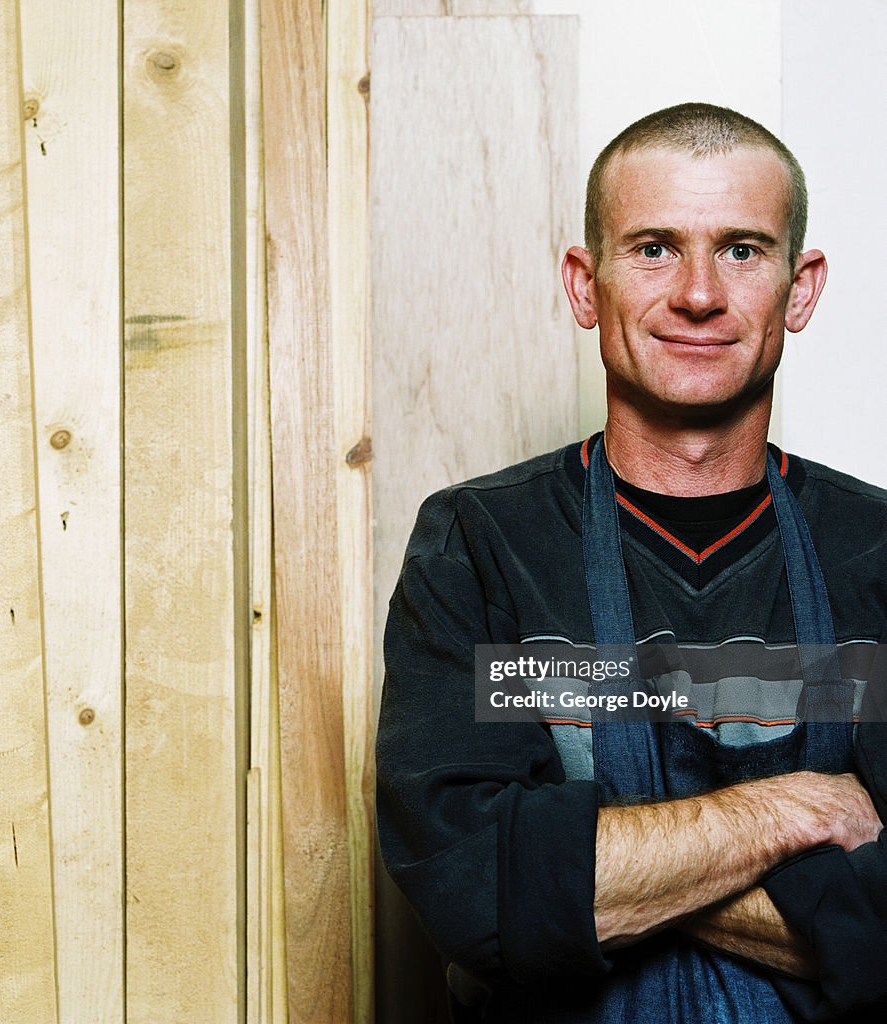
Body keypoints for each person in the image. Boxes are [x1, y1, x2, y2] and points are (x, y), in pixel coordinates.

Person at [375, 102, 887, 1023]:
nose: (698, 292)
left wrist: (583, 874)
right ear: (585, 284)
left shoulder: (879, 552)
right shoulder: (478, 548)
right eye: (654, 247)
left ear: (799, 289)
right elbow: (475, 890)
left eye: (742, 249)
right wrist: (786, 812)